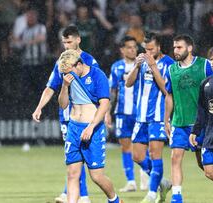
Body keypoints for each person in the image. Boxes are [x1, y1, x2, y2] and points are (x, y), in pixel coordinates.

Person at [32, 25, 97, 203]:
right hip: (66, 116)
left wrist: (101, 113)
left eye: (69, 42)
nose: (67, 46)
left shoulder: (89, 61)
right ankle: (76, 194)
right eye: (64, 42)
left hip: (85, 118)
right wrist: (39, 107)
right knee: (73, 156)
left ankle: (77, 194)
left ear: (78, 40)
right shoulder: (61, 62)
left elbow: (98, 89)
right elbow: (50, 87)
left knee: (83, 157)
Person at [58, 49, 122, 203]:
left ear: (79, 64)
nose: (68, 76)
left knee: (96, 176)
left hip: (92, 130)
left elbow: (105, 104)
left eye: (70, 72)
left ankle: (114, 200)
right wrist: (64, 86)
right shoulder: (68, 77)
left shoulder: (97, 75)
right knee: (73, 174)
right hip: (73, 128)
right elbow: (63, 104)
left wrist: (91, 126)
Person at [163, 35, 212, 203]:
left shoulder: (204, 65)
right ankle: (176, 197)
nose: (175, 51)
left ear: (189, 48)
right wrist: (166, 120)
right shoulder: (171, 70)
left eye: (179, 47)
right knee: (175, 157)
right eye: (174, 47)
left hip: (202, 124)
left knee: (205, 168)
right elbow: (169, 95)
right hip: (179, 122)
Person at [125, 33, 173, 203]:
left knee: (154, 154)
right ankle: (162, 181)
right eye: (145, 49)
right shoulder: (142, 61)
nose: (148, 52)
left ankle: (152, 194)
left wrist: (153, 67)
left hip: (158, 116)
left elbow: (166, 90)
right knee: (137, 156)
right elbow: (128, 83)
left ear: (159, 47)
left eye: (151, 49)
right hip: (141, 116)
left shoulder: (169, 64)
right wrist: (136, 67)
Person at [106, 36, 148, 192]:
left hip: (140, 112)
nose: (132, 50)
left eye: (134, 47)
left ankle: (146, 176)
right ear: (122, 50)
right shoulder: (116, 67)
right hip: (123, 112)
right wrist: (108, 112)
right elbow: (113, 91)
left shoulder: (144, 65)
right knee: (125, 147)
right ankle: (131, 182)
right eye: (129, 47)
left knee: (142, 146)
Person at [189, 75, 213, 181]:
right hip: (209, 134)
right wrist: (195, 131)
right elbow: (201, 110)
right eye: (211, 60)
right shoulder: (206, 83)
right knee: (208, 171)